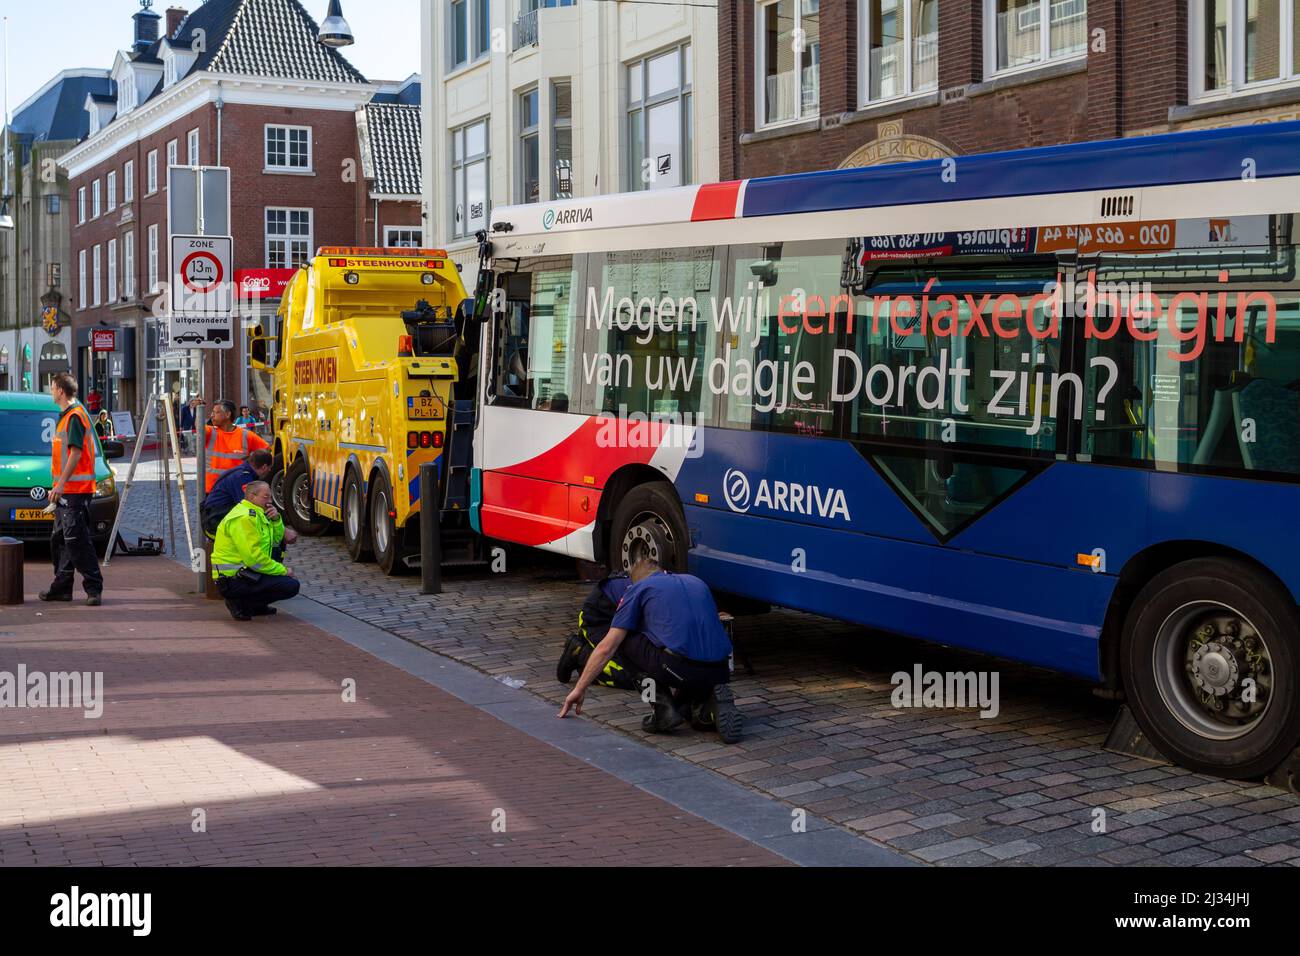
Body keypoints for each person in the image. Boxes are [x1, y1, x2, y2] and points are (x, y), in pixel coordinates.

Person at [558, 558, 743, 743]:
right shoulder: (696, 582)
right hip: (720, 668)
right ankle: (706, 707)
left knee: (622, 638)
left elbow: (607, 648)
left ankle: (662, 709)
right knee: (686, 711)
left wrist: (580, 688)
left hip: (680, 667)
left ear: (634, 580)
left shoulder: (639, 589)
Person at [39, 372, 105, 607]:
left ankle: (93, 587)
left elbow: (76, 454)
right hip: (68, 489)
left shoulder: (75, 417)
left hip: (75, 490)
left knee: (76, 539)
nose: (51, 391)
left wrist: (60, 485)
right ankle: (62, 586)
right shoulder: (67, 416)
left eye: (52, 387)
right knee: (60, 539)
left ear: (59, 390)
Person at [210, 480, 300, 621]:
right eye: (266, 497)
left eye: (270, 497)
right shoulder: (244, 518)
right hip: (233, 578)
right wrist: (283, 570)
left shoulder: (257, 513)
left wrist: (276, 520)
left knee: (284, 576)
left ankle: (256, 606)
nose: (270, 501)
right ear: (252, 497)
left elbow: (276, 542)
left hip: (245, 572)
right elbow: (253, 558)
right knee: (290, 585)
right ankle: (240, 604)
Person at [556, 572, 645, 690]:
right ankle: (580, 653)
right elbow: (607, 649)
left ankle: (589, 648)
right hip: (597, 616)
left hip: (615, 610)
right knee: (637, 679)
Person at [200, 449, 298, 553]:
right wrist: (283, 531)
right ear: (264, 467)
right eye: (269, 468)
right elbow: (253, 509)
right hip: (215, 522)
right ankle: (265, 566)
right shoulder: (243, 478)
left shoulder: (242, 472)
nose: (269, 471)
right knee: (262, 537)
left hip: (216, 518)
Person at [202, 399, 269, 493]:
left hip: (237, 491)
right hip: (212, 490)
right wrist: (199, 410)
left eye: (216, 412)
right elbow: (199, 428)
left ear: (228, 414)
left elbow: (267, 452)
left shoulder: (246, 435)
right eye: (212, 412)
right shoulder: (210, 432)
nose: (212, 415)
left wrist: (257, 474)